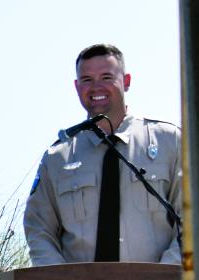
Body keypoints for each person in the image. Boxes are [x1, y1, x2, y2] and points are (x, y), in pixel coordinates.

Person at [25, 43, 182, 266]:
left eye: (106, 77)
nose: (96, 87)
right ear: (77, 87)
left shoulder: (169, 141)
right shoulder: (58, 157)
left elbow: (191, 218)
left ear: (126, 82)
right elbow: (38, 229)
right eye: (87, 80)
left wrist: (165, 279)